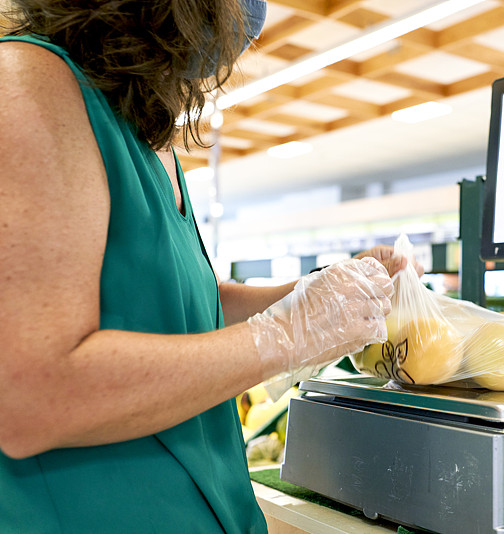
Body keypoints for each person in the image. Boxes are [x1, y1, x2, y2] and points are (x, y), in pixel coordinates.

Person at [0, 1, 421, 531]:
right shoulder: (29, 83)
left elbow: (191, 302)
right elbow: (31, 395)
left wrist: (321, 293)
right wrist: (284, 337)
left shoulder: (148, 137)